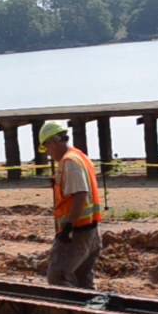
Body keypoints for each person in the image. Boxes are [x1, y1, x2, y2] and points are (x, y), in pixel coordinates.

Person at [38, 121, 104, 289]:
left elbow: (80, 194)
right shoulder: (79, 156)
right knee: (82, 279)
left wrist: (68, 227)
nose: (48, 153)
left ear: (55, 141)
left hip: (77, 232)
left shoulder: (70, 162)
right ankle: (89, 312)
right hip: (89, 231)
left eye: (47, 147)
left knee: (58, 276)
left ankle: (72, 311)